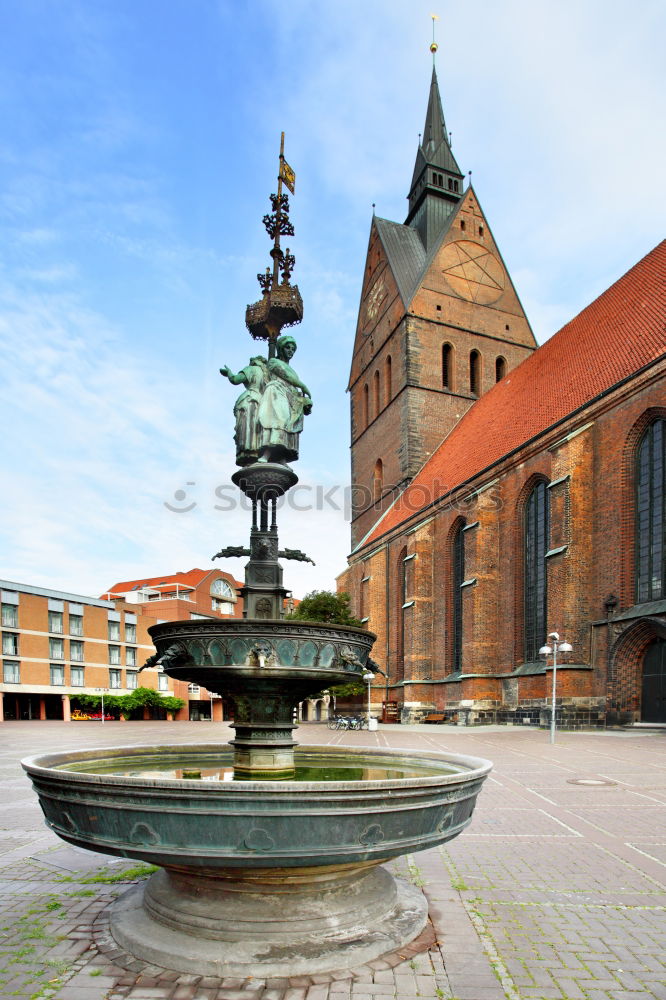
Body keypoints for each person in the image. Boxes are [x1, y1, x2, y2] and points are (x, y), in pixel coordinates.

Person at [256, 336, 312, 464]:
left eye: (293, 349)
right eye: (287, 348)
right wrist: (302, 386)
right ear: (280, 349)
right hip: (276, 392)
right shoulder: (273, 362)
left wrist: (304, 402)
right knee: (279, 421)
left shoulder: (293, 371)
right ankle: (267, 453)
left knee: (287, 423)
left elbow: (292, 387)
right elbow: (284, 375)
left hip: (289, 397)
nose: (290, 351)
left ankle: (281, 456)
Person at [220, 356, 268, 466]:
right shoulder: (267, 375)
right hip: (261, 402)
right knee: (256, 428)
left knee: (246, 426)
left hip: (248, 399)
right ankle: (257, 451)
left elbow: (235, 380)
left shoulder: (251, 369)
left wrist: (229, 373)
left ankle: (247, 451)